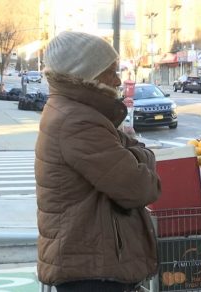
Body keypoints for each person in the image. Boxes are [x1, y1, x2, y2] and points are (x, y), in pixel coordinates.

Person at [35, 31, 161, 292]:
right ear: (87, 74)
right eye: (111, 71)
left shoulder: (74, 111)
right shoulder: (78, 121)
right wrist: (143, 155)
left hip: (90, 263)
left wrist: (130, 152)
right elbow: (140, 188)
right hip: (92, 270)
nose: (118, 79)